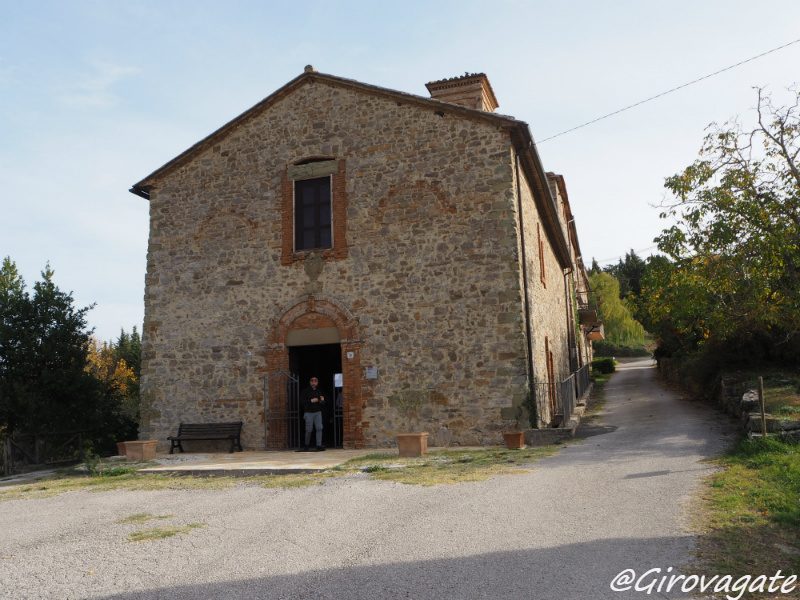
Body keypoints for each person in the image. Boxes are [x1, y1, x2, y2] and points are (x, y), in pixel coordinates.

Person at [298, 376, 325, 452]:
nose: (313, 382)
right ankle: (306, 445)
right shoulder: (305, 391)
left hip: (317, 412)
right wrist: (311, 401)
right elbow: (301, 402)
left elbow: (323, 403)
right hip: (308, 412)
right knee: (309, 429)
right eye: (312, 381)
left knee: (319, 428)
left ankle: (318, 445)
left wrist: (322, 400)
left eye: (315, 381)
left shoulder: (319, 391)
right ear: (310, 382)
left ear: (317, 383)